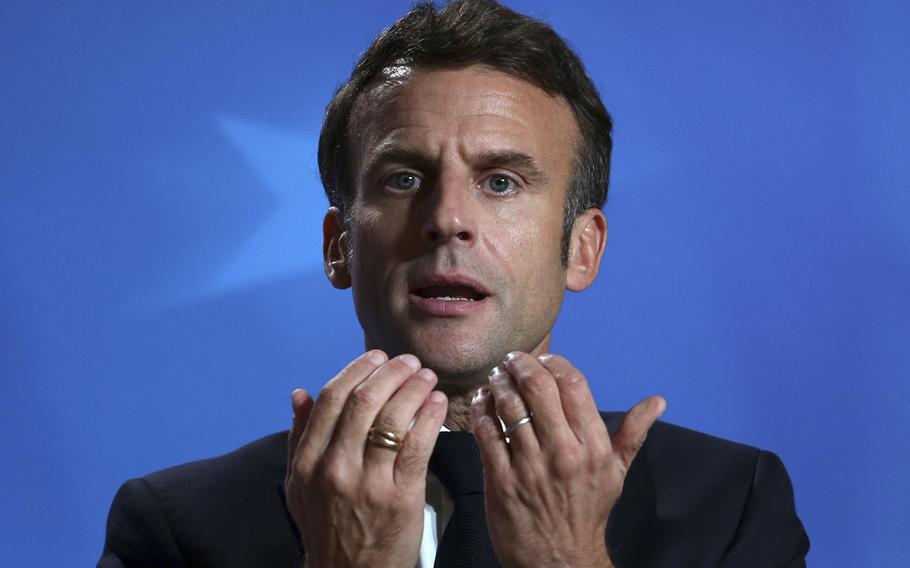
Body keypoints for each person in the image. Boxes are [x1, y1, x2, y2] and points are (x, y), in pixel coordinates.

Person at [99, 1, 809, 566]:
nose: (447, 220)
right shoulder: (175, 529)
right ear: (339, 246)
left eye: (501, 181)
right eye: (405, 179)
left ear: (582, 249)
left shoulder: (731, 508)